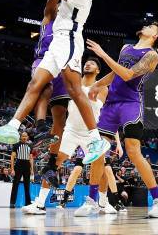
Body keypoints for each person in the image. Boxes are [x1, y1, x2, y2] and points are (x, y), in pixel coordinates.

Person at [0, 0, 111, 165]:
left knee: (75, 90)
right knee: (35, 84)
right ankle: (12, 127)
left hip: (69, 40)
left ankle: (96, 139)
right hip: (58, 42)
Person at [75, 23, 158, 218]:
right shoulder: (125, 48)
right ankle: (92, 201)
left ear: (155, 35)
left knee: (134, 152)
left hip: (131, 103)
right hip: (111, 104)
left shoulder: (152, 55)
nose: (145, 25)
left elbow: (127, 75)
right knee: (98, 152)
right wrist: (98, 84)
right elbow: (115, 72)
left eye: (151, 26)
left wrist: (103, 54)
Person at [23, 58, 122, 214]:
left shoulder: (102, 88)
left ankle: (103, 203)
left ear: (97, 71)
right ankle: (40, 204)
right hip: (71, 130)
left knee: (101, 164)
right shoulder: (72, 83)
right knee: (54, 163)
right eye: (86, 63)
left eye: (93, 64)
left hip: (91, 132)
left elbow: (94, 101)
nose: (88, 64)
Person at [10, 132, 34, 207]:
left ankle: (28, 202)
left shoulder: (30, 145)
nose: (24, 137)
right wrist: (12, 169)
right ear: (20, 137)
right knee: (15, 184)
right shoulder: (16, 145)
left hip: (27, 164)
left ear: (27, 137)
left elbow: (31, 158)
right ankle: (12, 202)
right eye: (23, 136)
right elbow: (12, 157)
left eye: (25, 136)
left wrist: (32, 169)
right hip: (19, 163)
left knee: (27, 184)